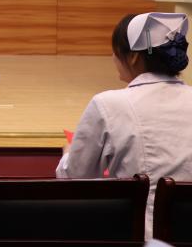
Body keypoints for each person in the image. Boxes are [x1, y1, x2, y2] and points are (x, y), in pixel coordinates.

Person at [57, 12, 192, 238]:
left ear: (133, 57)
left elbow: (75, 179)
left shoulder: (108, 104)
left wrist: (67, 154)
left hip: (140, 235)